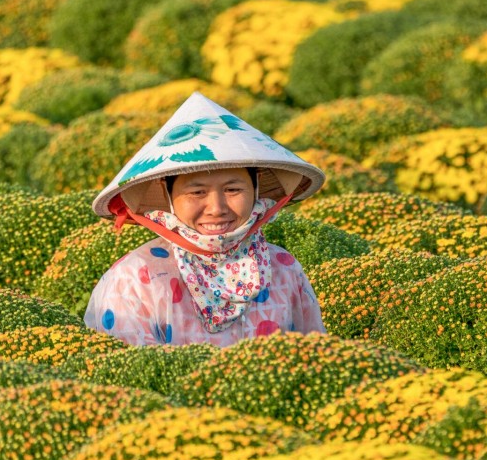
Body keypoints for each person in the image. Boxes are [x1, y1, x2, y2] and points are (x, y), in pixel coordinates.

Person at [84, 92, 327, 347]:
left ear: (255, 192)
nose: (216, 208)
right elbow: (130, 378)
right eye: (197, 192)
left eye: (233, 190)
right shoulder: (133, 279)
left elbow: (315, 357)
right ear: (169, 198)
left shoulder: (284, 268)